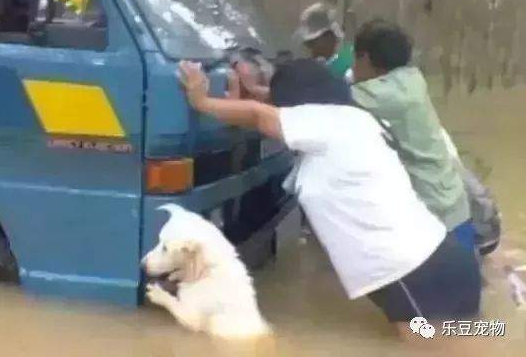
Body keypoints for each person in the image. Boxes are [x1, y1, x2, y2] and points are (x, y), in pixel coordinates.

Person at [179, 58, 481, 340]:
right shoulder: (348, 121)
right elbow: (264, 112)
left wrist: (202, 102)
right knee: (480, 337)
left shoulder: (326, 122)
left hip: (415, 275)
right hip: (442, 260)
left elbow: (260, 116)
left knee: (438, 348)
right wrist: (237, 94)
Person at [350, 20, 474, 251]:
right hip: (454, 207)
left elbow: (328, 98)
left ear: (365, 59)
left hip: (437, 216)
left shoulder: (382, 94)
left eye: (355, 59)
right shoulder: (411, 78)